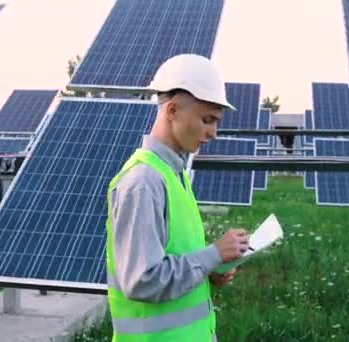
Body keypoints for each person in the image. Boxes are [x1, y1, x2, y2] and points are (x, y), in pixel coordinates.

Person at [105, 54, 249, 342]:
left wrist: (210, 269)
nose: (213, 133)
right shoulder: (144, 182)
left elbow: (172, 258)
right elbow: (143, 281)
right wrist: (213, 254)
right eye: (207, 120)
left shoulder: (175, 173)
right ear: (172, 110)